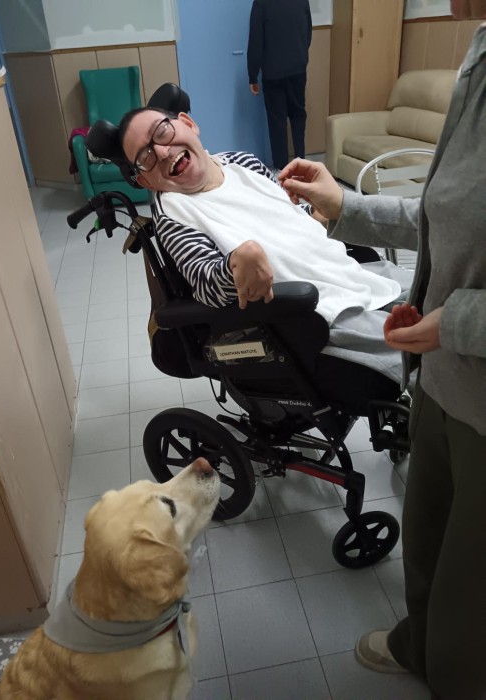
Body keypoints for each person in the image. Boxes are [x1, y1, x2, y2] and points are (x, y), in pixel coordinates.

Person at [279, 2, 486, 698]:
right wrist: (347, 206)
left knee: (470, 589)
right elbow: (446, 216)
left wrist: (457, 322)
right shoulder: (480, 47)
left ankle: (452, 673)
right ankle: (418, 646)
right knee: (424, 538)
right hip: (441, 380)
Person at [118, 106, 414, 386]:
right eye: (146, 157)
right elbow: (205, 285)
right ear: (146, 181)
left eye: (162, 132)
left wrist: (319, 211)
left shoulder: (241, 163)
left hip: (347, 271)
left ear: (188, 123)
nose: (162, 151)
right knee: (422, 350)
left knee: (431, 292)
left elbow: (287, 212)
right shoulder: (174, 214)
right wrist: (236, 263)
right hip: (318, 310)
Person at [247, 0, 312, 171]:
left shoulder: (261, 3)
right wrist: (300, 56)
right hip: (298, 68)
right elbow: (308, 33)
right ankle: (301, 160)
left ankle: (282, 168)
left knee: (277, 120)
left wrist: (253, 75)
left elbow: (256, 39)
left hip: (273, 72)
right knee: (298, 114)